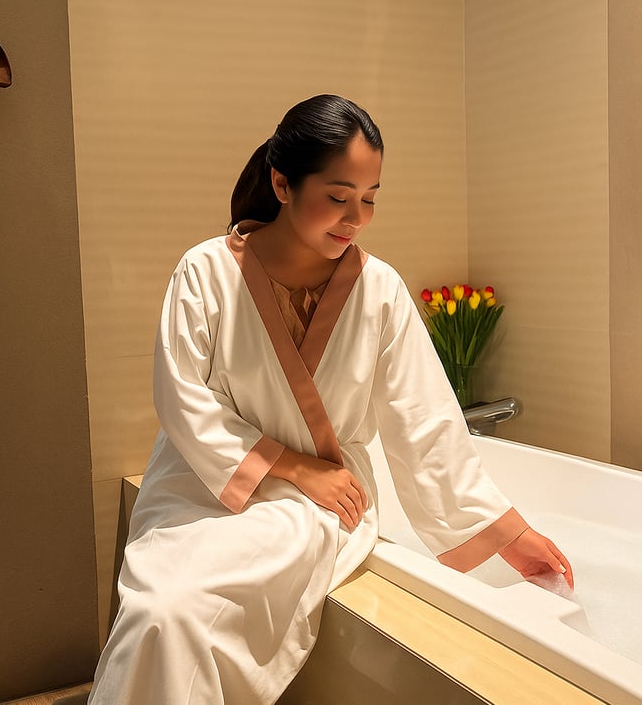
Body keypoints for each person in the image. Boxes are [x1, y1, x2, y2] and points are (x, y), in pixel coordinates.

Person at [87, 94, 573, 705]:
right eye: (339, 197)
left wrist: (505, 531)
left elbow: (424, 421)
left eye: (370, 199)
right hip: (200, 483)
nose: (356, 218)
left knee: (182, 609)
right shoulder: (205, 272)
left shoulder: (380, 290)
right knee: (160, 607)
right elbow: (183, 398)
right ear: (282, 183)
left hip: (316, 504)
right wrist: (293, 465)